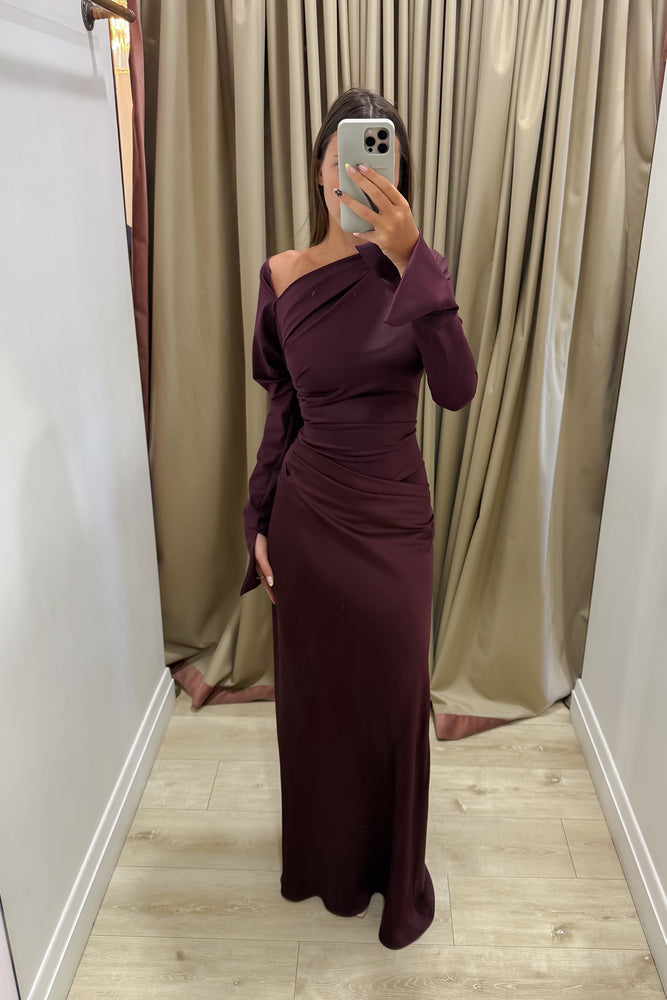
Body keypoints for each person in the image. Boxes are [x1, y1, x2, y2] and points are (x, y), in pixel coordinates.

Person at [240, 88, 477, 949]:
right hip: (307, 516)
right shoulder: (280, 275)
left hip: (392, 520)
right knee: (317, 705)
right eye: (344, 161)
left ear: (398, 179)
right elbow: (283, 407)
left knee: (391, 701)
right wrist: (257, 517)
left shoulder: (417, 274)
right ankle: (322, 865)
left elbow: (456, 390)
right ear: (320, 172)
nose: (361, 177)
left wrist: (417, 265)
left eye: (381, 164)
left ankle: (390, 874)